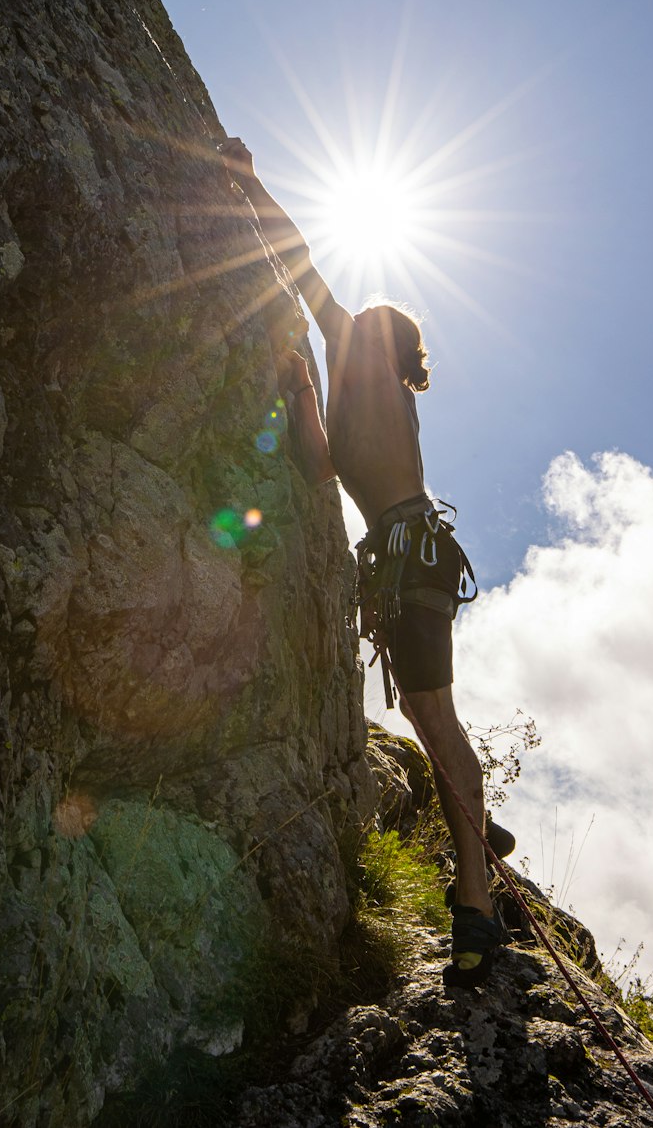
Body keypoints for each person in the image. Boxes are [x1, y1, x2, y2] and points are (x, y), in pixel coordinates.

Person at [222, 138, 512, 986]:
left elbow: (302, 263)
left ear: (376, 338)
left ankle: (475, 902)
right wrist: (302, 397)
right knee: (427, 717)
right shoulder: (352, 401)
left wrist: (249, 183)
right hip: (398, 565)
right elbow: (317, 468)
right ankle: (480, 836)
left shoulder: (369, 366)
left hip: (407, 554)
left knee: (436, 717)